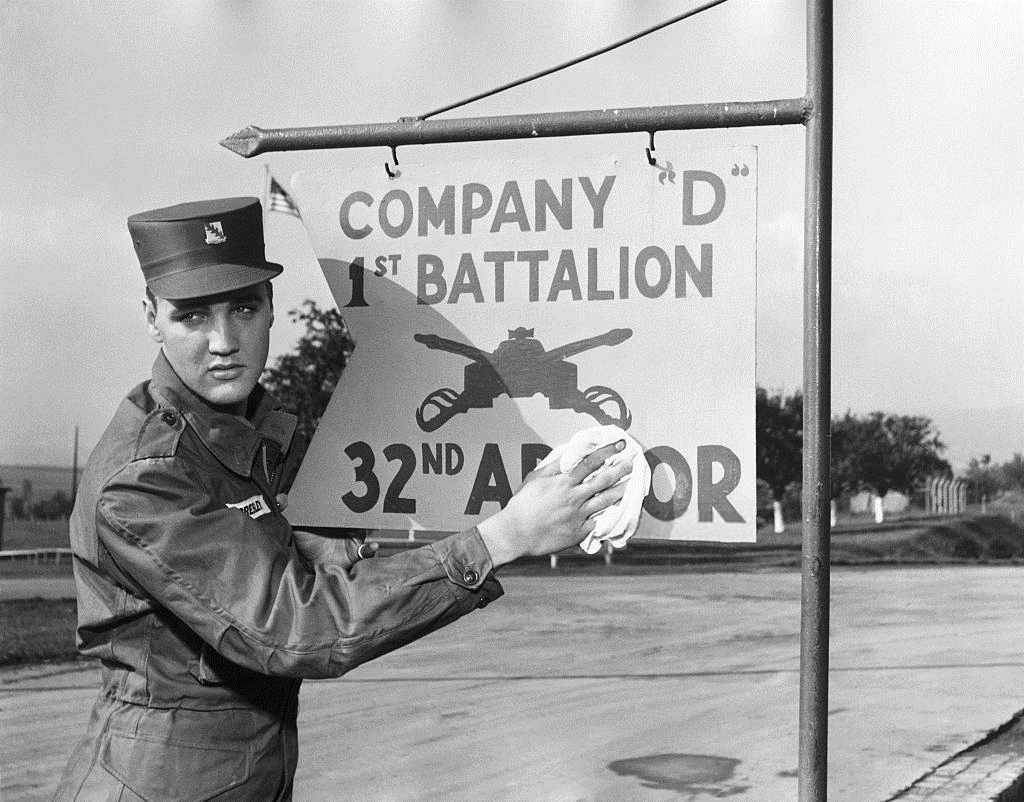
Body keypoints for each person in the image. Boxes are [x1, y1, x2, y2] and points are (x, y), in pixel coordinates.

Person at [54, 197, 630, 801]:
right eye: (192, 317)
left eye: (244, 308)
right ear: (151, 315)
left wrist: (301, 543)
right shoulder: (148, 477)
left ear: (271, 307)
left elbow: (243, 563)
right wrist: (504, 538)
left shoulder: (243, 434)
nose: (224, 341)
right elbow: (292, 630)